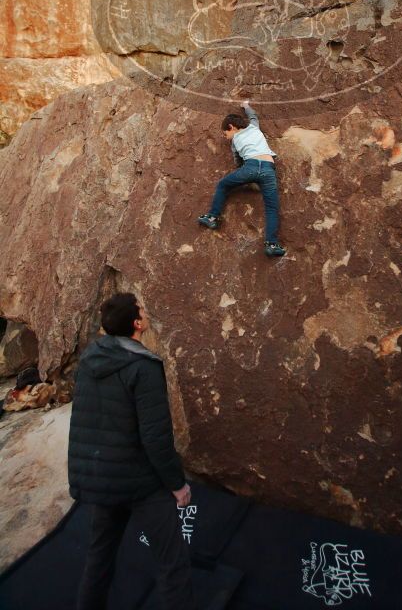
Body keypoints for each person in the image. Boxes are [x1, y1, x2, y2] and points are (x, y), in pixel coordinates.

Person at [68, 292, 195, 610]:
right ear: (137, 324)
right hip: (138, 481)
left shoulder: (89, 359)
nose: (145, 310)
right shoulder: (143, 367)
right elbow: (155, 437)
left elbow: (87, 421)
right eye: (141, 309)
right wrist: (177, 485)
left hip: (101, 478)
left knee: (99, 558)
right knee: (172, 562)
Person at [197, 100, 286, 256]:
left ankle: (212, 217)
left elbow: (238, 161)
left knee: (223, 185)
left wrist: (244, 175)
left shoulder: (235, 141)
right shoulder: (254, 127)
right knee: (272, 208)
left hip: (250, 167)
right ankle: (272, 244)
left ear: (231, 127)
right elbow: (253, 115)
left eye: (226, 134)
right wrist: (245, 106)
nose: (226, 138)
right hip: (268, 168)